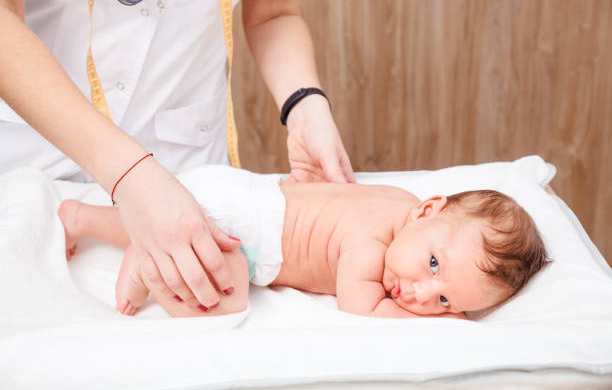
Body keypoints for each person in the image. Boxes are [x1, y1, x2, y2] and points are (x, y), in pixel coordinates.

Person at [0, 0, 354, 311]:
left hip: (185, 171)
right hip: (34, 161)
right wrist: (130, 174)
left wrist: (305, 106)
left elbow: (274, 14)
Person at [58, 165, 550, 318]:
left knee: (166, 223)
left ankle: (81, 217)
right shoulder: (372, 244)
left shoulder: (399, 202)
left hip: (233, 191)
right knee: (223, 302)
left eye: (444, 300)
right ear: (427, 210)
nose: (420, 292)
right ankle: (149, 266)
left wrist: (449, 297)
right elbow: (362, 310)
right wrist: (453, 323)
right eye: (435, 266)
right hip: (241, 225)